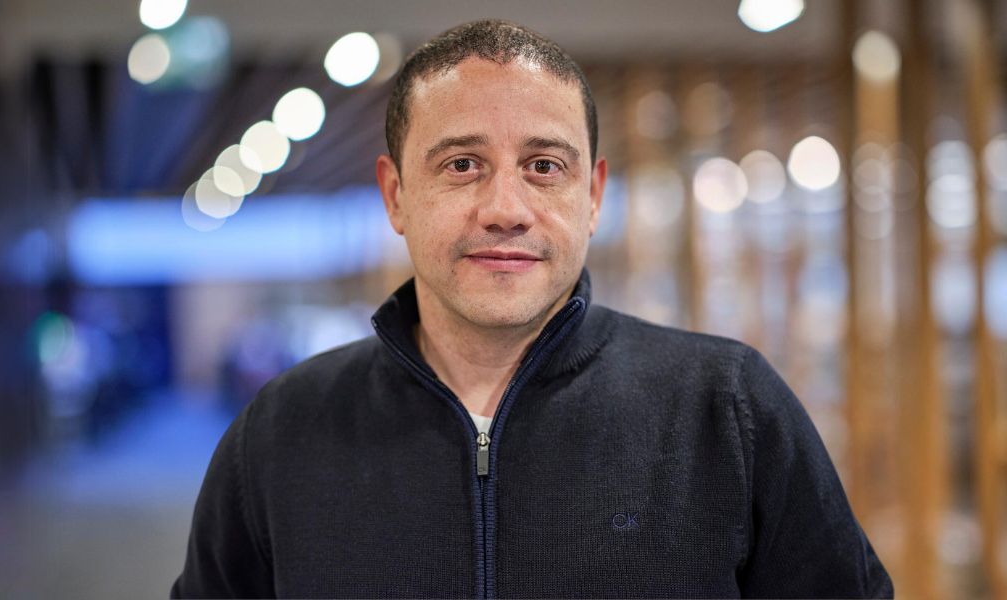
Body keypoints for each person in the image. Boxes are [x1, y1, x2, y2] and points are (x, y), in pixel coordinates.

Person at [171, 19, 891, 598]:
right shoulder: (285, 429)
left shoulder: (727, 410)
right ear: (395, 195)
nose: (505, 209)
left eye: (544, 166)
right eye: (462, 165)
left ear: (593, 197)